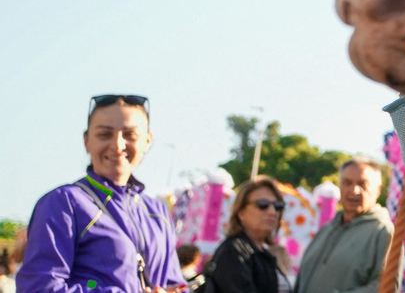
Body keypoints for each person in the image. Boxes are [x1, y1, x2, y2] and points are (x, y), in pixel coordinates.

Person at [18, 94, 181, 293]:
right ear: (87, 141)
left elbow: (176, 284)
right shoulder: (63, 203)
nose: (118, 145)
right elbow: (39, 287)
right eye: (105, 134)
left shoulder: (157, 212)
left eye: (130, 134)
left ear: (147, 140)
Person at [291, 161, 389, 293]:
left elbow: (386, 286)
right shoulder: (327, 229)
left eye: (362, 184)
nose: (354, 190)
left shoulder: (383, 231)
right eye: (347, 183)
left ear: (378, 190)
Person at [203, 177, 290, 293]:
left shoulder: (264, 252)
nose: (272, 212)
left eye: (278, 206)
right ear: (241, 213)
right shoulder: (234, 250)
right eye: (262, 204)